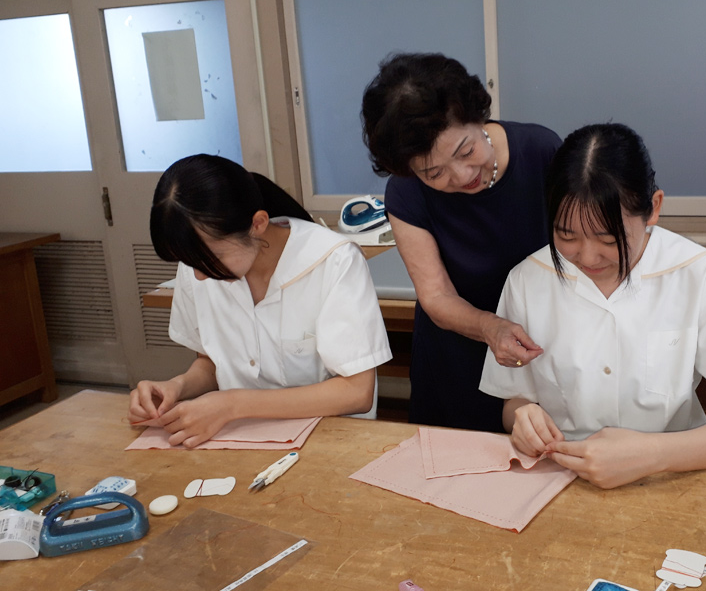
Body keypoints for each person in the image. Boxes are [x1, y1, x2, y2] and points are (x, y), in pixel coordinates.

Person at [479, 123, 706, 488]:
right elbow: (514, 402)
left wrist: (651, 455)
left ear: (653, 208)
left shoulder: (703, 276)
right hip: (562, 479)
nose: (587, 256)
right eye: (566, 235)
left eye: (608, 238)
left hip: (673, 479)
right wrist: (523, 419)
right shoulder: (527, 280)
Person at [128, 154, 392, 448]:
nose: (199, 276)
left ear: (258, 224)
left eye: (212, 258)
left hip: (329, 441)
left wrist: (232, 405)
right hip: (237, 439)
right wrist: (177, 386)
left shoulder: (334, 261)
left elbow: (356, 392)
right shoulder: (198, 265)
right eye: (190, 263)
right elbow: (211, 362)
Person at [361, 53, 562, 432]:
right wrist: (491, 328)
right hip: (456, 357)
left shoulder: (542, 151)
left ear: (478, 116)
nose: (461, 175)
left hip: (539, 345)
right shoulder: (407, 192)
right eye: (433, 172)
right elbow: (436, 296)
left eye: (466, 151)